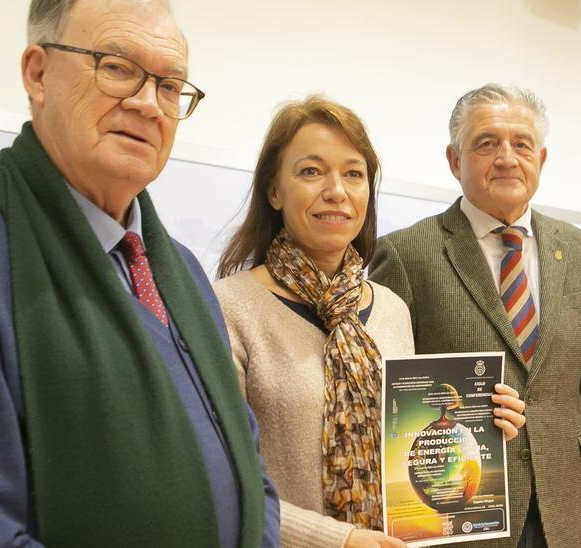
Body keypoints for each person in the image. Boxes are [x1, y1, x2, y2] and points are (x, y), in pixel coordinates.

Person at [0, 0, 279, 545]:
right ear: (38, 73)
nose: (150, 104)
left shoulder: (183, 273)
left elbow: (250, 470)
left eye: (171, 86)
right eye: (118, 67)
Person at [213, 95, 527, 548]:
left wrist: (483, 425)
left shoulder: (390, 308)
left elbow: (412, 451)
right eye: (311, 171)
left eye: (353, 174)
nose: (337, 191)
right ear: (274, 190)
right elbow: (221, 481)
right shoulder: (229, 308)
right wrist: (338, 540)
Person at [371, 83, 581, 547]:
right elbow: (386, 395)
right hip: (459, 506)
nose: (506, 157)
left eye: (521, 144)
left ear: (540, 160)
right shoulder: (405, 254)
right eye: (486, 143)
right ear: (454, 160)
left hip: (561, 503)